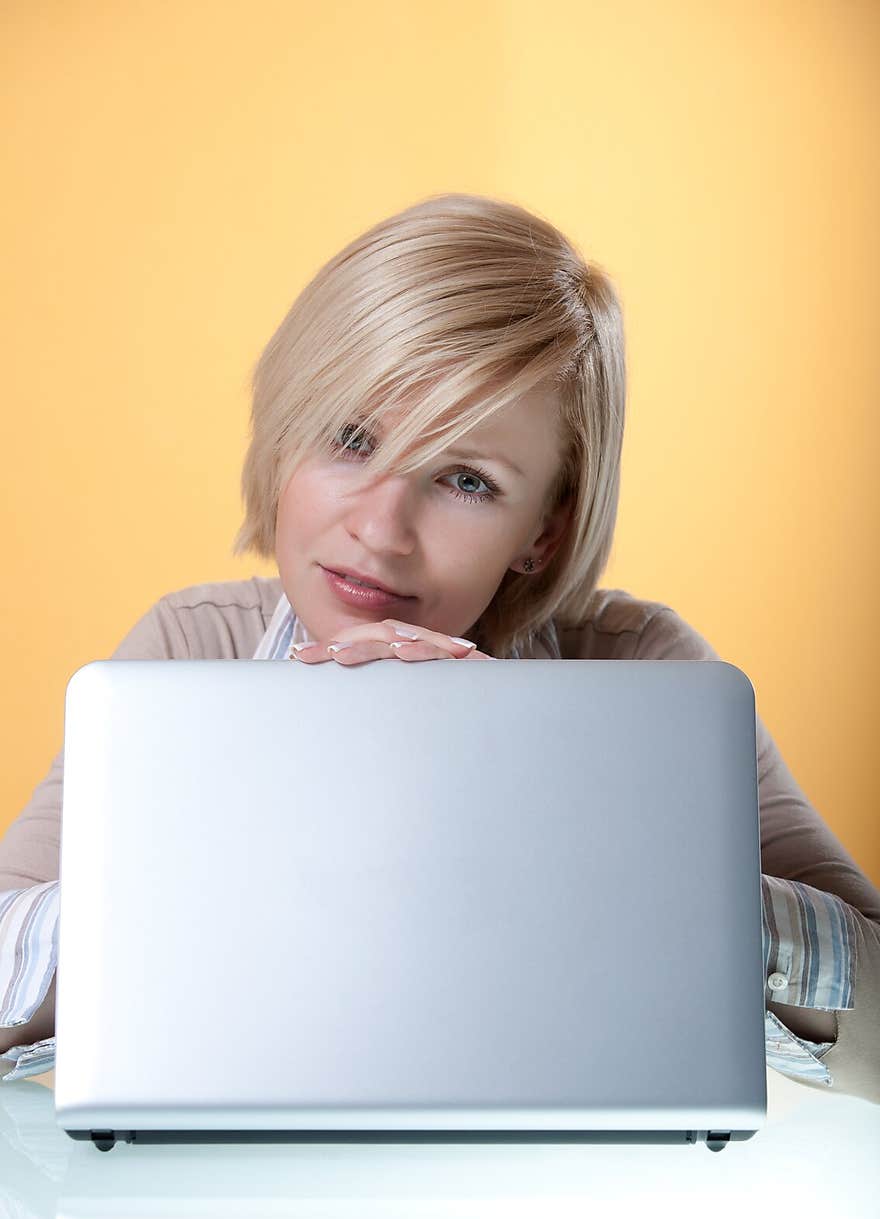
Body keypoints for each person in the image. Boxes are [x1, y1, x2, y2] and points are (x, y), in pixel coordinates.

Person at [2, 193, 878, 1102]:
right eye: (350, 438)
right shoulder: (188, 651)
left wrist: (575, 806)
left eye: (465, 479)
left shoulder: (645, 671)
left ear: (546, 528)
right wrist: (230, 852)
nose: (381, 531)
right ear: (284, 433)